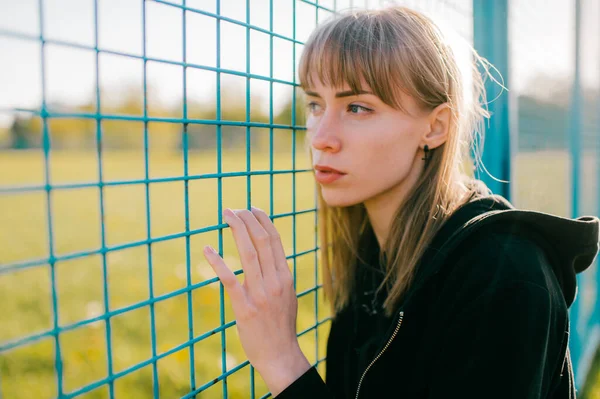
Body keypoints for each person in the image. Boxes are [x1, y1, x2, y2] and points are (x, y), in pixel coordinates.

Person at [202, 5, 600, 398]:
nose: (320, 137)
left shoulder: (503, 274)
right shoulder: (373, 255)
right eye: (315, 104)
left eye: (357, 107)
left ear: (435, 127)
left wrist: (282, 361)